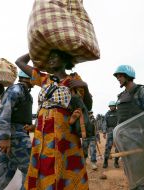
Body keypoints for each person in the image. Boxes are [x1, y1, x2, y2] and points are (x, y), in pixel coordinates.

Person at [15, 50, 92, 190]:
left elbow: (87, 105)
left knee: (64, 165)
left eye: (54, 57)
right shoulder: (44, 79)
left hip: (65, 131)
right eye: (49, 57)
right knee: (43, 164)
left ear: (64, 60)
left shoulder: (73, 79)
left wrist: (84, 86)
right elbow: (19, 62)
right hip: (42, 132)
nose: (50, 60)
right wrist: (36, 49)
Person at [0, 70, 33, 190]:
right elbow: (4, 113)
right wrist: (4, 138)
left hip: (17, 136)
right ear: (28, 78)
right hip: (16, 137)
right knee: (31, 171)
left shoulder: (25, 93)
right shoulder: (16, 90)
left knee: (4, 172)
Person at [114, 65, 144, 190]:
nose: (118, 79)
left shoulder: (141, 91)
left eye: (120, 76)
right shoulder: (121, 96)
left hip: (139, 138)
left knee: (139, 174)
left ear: (128, 76)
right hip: (125, 139)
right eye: (117, 77)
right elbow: (120, 118)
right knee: (130, 172)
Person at [102, 100, 119, 168]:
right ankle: (105, 162)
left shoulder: (119, 113)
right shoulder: (107, 114)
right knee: (108, 147)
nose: (111, 107)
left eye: (113, 106)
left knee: (118, 147)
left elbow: (120, 121)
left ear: (115, 106)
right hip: (109, 131)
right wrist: (104, 132)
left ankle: (116, 162)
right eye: (110, 106)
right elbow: (104, 123)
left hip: (117, 131)